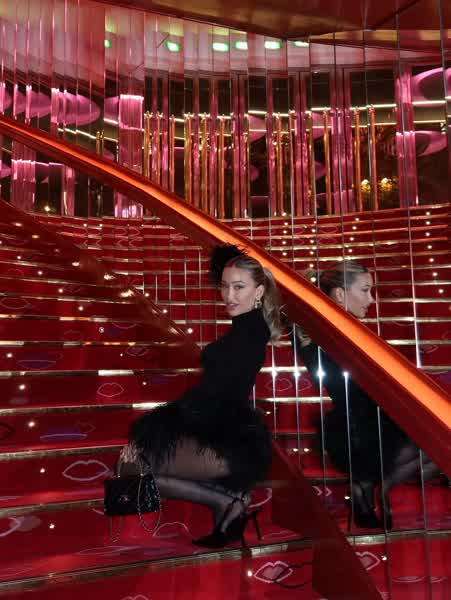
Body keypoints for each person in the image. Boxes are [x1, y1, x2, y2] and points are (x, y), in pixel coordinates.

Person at [120, 244, 282, 547]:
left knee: (131, 466)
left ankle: (227, 501)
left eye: (239, 287)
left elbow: (215, 393)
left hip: (224, 442)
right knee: (132, 464)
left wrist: (163, 426)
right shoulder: (248, 328)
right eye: (224, 286)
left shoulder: (250, 332)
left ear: (259, 292)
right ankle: (229, 500)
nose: (229, 295)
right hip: (225, 436)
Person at [291, 260, 439, 530]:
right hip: (360, 427)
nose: (371, 299)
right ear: (339, 294)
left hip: (372, 417)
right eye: (365, 290)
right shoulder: (327, 332)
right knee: (436, 439)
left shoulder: (342, 330)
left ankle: (371, 487)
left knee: (437, 439)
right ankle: (370, 486)